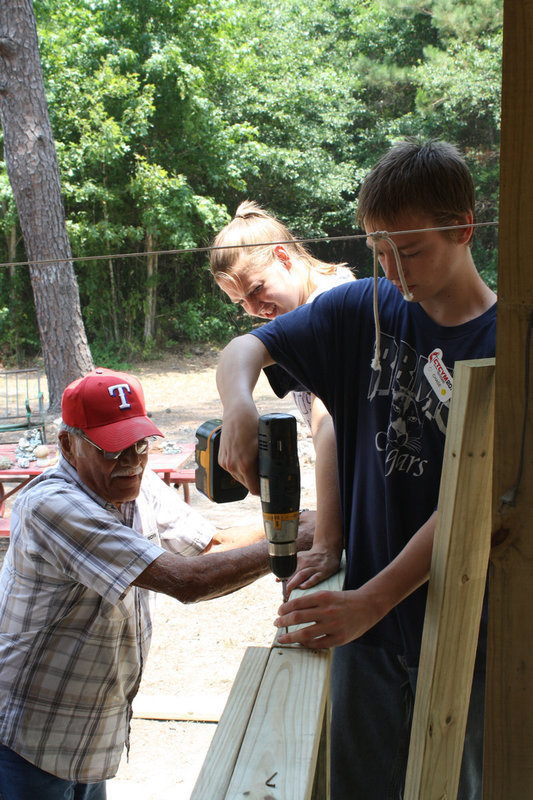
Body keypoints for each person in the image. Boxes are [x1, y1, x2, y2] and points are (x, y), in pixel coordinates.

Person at [215, 140, 497, 799]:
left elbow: (473, 503)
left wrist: (371, 600)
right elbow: (244, 348)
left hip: (467, 636)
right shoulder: (361, 309)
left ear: (462, 228)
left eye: (412, 249)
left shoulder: (503, 341)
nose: (396, 270)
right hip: (366, 636)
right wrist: (238, 408)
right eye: (378, 250)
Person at [0, 367, 313, 800]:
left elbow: (210, 546)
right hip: (28, 735)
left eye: (139, 443)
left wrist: (292, 523)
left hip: (89, 734)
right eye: (112, 449)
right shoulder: (51, 506)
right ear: (68, 445)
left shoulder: (135, 484)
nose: (131, 461)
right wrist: (297, 540)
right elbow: (186, 581)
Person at [211, 200, 355, 567]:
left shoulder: (333, 303)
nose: (254, 308)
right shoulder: (305, 309)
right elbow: (239, 353)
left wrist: (326, 542)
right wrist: (238, 406)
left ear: (283, 256)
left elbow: (329, 426)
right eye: (240, 301)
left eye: (257, 289)